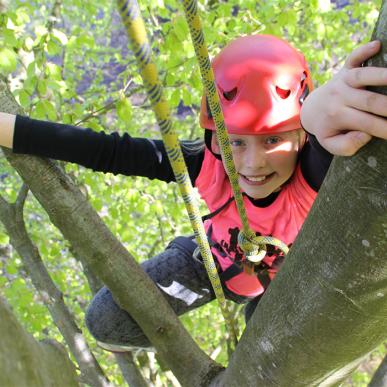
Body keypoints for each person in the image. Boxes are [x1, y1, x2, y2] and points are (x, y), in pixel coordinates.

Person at [0, 35, 386, 353]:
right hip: (209, 262)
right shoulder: (206, 164)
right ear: (213, 135)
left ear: (300, 135)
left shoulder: (312, 174)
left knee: (268, 354)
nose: (252, 164)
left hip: (280, 287)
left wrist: (318, 118)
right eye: (235, 141)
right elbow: (107, 150)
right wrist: (11, 130)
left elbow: (322, 144)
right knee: (105, 323)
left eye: (272, 139)